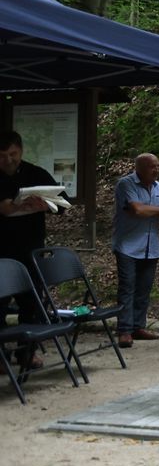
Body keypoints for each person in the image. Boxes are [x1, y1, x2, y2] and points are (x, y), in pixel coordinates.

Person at [0, 131, 60, 369]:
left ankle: (27, 353)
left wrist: (46, 204)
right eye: (3, 156)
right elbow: (4, 208)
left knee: (32, 304)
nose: (9, 160)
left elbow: (61, 202)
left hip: (30, 250)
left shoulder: (35, 173)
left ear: (21, 151)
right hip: (2, 252)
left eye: (13, 154)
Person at [112, 153, 159, 349]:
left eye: (157, 166)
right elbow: (138, 210)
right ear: (139, 168)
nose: (156, 170)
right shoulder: (126, 184)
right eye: (151, 167)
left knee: (144, 289)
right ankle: (124, 330)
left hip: (151, 246)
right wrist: (156, 210)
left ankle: (138, 326)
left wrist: (149, 210)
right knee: (127, 287)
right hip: (128, 246)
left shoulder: (157, 186)